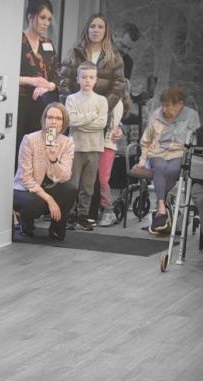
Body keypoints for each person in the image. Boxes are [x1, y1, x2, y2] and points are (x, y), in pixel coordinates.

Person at [136, 85, 201, 233]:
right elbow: (146, 141)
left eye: (169, 106)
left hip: (179, 153)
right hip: (158, 152)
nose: (164, 109)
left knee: (172, 170)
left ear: (180, 104)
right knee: (159, 167)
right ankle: (161, 208)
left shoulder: (191, 116)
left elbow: (195, 141)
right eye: (163, 105)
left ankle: (162, 210)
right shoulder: (156, 115)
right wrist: (142, 158)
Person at [13, 102, 76, 241]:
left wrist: (53, 160)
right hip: (25, 189)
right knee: (35, 203)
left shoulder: (67, 142)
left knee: (70, 190)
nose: (53, 121)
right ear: (44, 119)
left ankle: (56, 229)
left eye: (58, 118)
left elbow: (65, 176)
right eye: (50, 117)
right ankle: (25, 221)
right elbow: (25, 178)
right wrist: (49, 199)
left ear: (63, 123)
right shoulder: (30, 140)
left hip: (50, 186)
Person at [59, 13, 125, 122]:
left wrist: (101, 109)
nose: (96, 30)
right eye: (92, 26)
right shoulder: (74, 53)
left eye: (100, 27)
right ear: (87, 30)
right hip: (75, 112)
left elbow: (117, 89)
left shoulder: (114, 57)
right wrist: (72, 108)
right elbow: (63, 82)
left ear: (106, 31)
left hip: (101, 114)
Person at [65, 61, 108, 231]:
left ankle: (83, 216)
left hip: (94, 148)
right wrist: (91, 116)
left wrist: (81, 123)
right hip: (75, 148)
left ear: (96, 79)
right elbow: (71, 121)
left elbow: (101, 124)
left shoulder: (101, 100)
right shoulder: (71, 99)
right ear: (78, 79)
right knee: (72, 184)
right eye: (84, 77)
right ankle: (69, 215)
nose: (87, 80)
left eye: (91, 77)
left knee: (88, 186)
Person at [17, 0, 60, 164]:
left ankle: (43, 179)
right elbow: (5, 76)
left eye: (49, 19)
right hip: (19, 106)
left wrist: (48, 86)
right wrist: (32, 81)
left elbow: (59, 77)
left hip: (45, 105)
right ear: (30, 16)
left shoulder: (48, 43)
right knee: (20, 153)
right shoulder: (16, 41)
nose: (46, 23)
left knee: (45, 152)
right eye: (42, 18)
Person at [98, 92, 129, 227]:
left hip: (105, 143)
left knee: (101, 179)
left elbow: (113, 123)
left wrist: (120, 128)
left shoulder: (115, 101)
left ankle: (108, 210)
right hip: (83, 142)